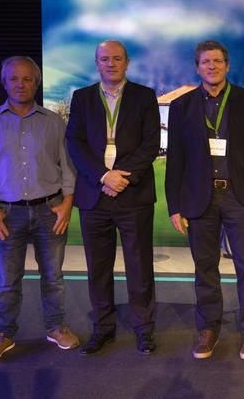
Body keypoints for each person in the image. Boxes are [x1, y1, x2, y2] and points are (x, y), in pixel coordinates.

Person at [0, 56, 79, 362]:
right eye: (14, 78)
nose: (21, 84)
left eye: (27, 79)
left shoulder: (54, 122)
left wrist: (67, 204)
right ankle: (3, 334)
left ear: (36, 83)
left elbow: (68, 167)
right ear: (4, 83)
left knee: (53, 276)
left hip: (49, 210)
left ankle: (56, 327)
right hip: (6, 214)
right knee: (7, 280)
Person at [165, 40, 244, 360]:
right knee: (205, 267)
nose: (212, 66)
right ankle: (208, 327)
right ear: (197, 67)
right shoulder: (182, 106)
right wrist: (175, 205)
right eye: (205, 62)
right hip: (200, 199)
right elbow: (175, 159)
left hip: (239, 197)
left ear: (227, 65)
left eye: (217, 61)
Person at [66, 40, 160, 355]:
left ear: (126, 62)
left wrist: (122, 177)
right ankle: (103, 329)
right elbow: (75, 143)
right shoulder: (82, 98)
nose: (111, 64)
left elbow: (150, 144)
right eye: (105, 59)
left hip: (134, 195)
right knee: (98, 268)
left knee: (140, 266)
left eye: (117, 58)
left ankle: (144, 329)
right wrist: (103, 176)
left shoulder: (144, 96)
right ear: (97, 63)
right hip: (95, 195)